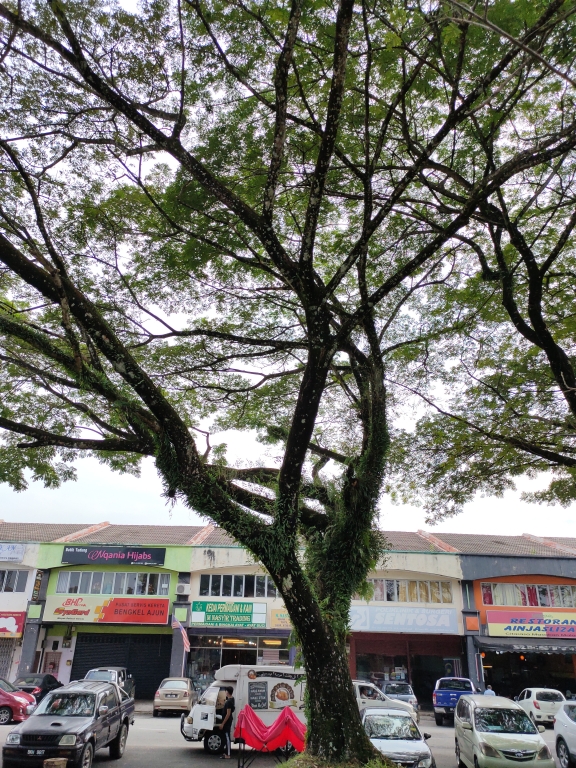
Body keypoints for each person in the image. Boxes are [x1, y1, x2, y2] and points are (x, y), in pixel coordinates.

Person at [218, 686, 235, 759]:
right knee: (226, 736)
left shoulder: (229, 702)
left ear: (227, 692)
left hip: (227, 722)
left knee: (227, 737)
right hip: (228, 721)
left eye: (226, 691)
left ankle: (228, 754)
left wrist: (222, 724)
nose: (225, 692)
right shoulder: (232, 699)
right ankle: (226, 752)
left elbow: (228, 714)